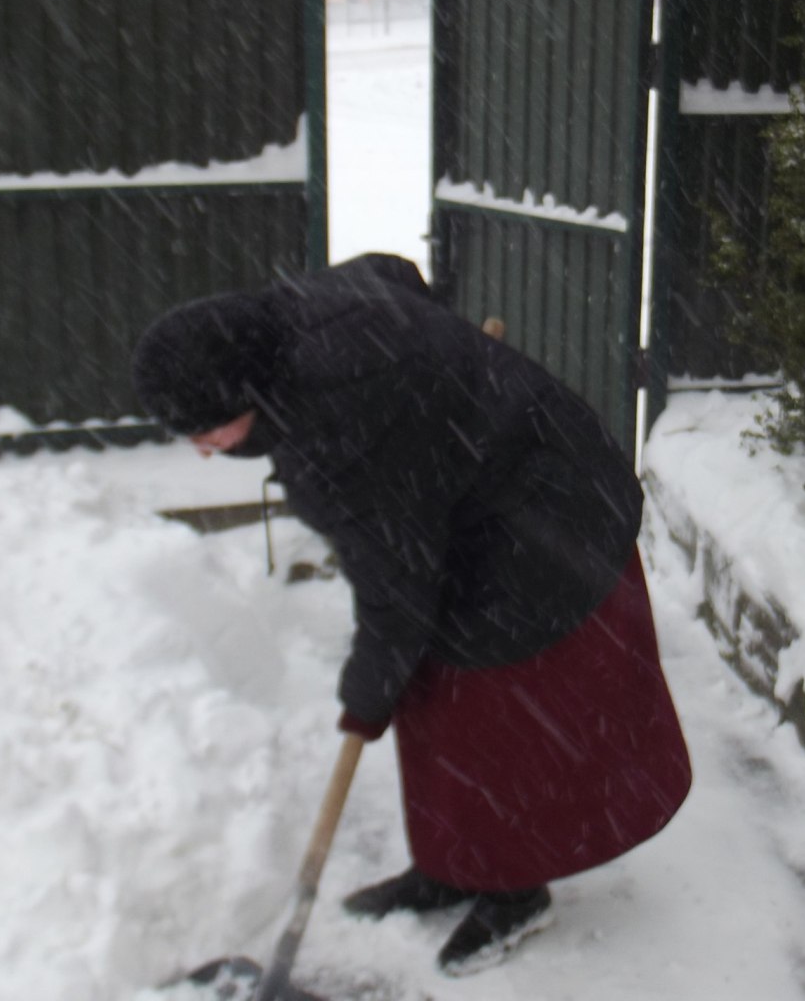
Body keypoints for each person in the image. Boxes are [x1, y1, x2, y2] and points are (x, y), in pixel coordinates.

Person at [131, 253, 691, 976]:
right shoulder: (293, 311)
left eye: (205, 432)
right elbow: (392, 273)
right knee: (433, 701)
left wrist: (365, 697)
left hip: (549, 521)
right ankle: (450, 866)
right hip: (485, 491)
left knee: (503, 718)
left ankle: (514, 891)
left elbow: (396, 590)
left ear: (244, 395)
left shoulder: (336, 429)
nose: (203, 453)